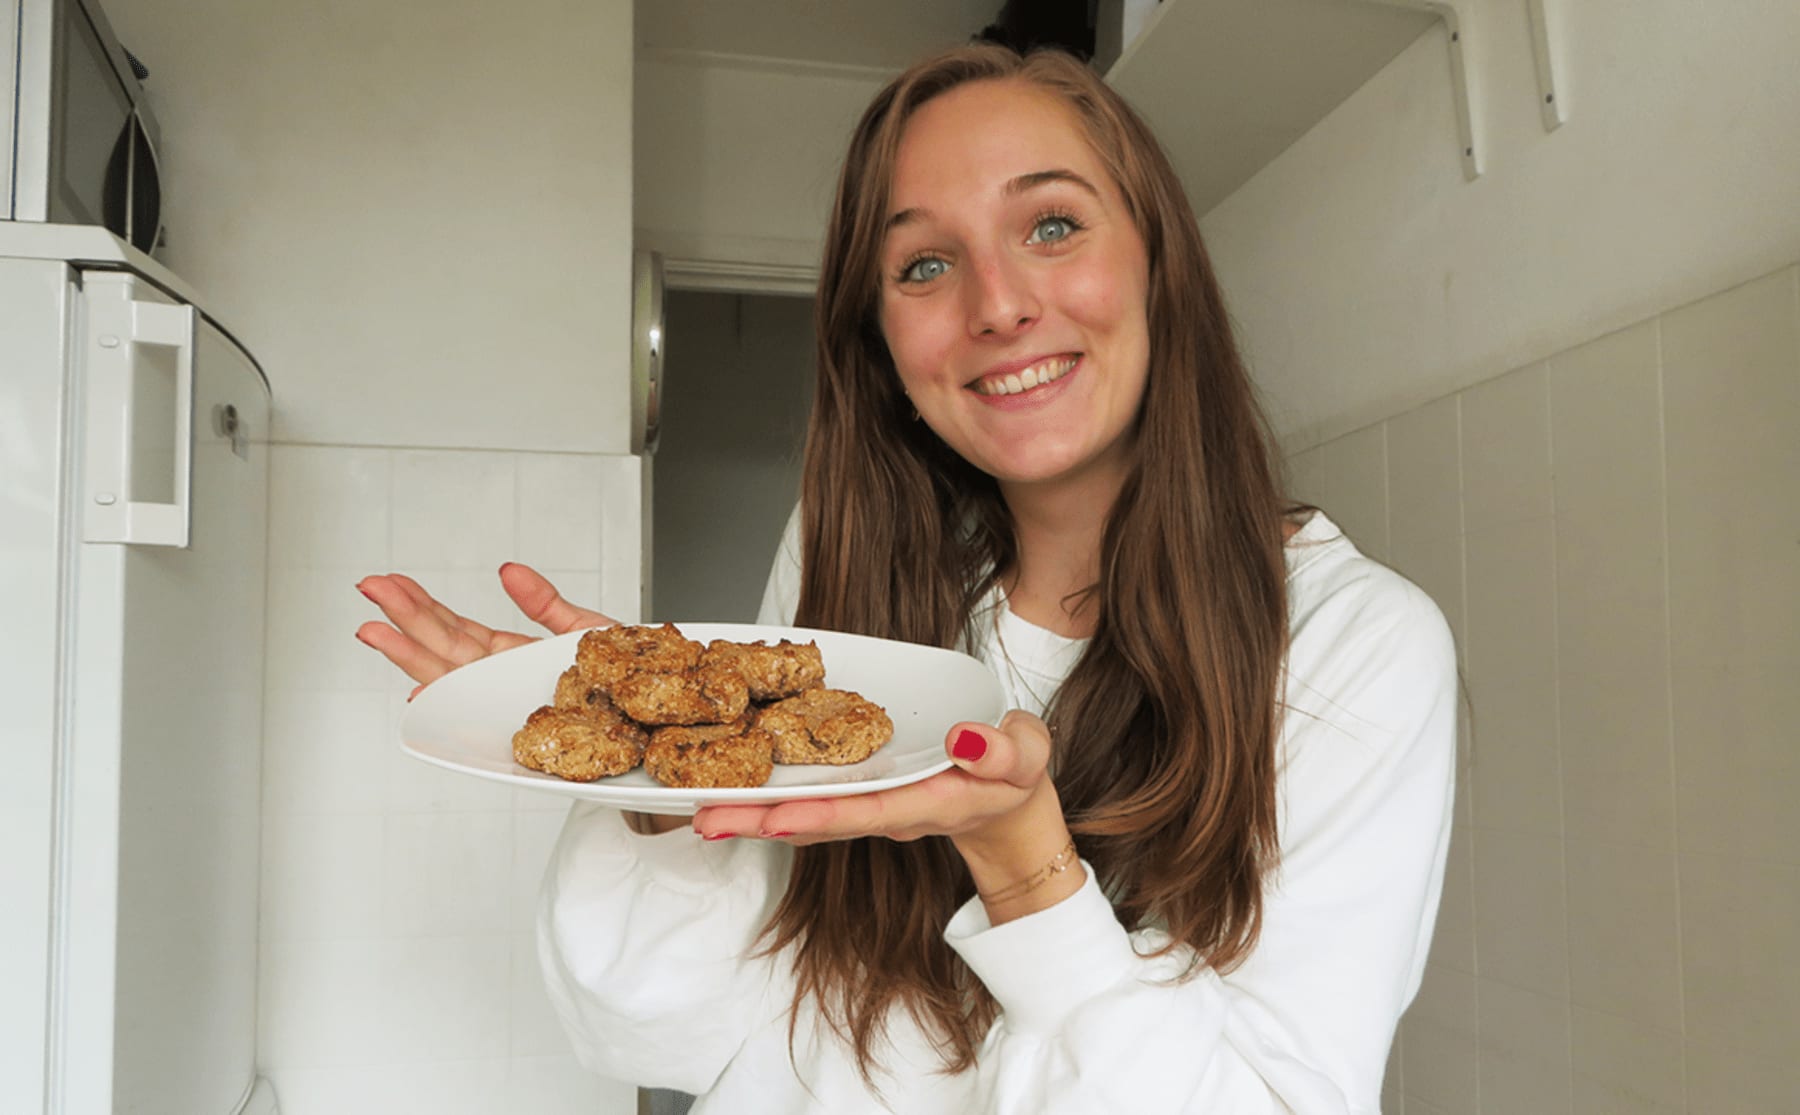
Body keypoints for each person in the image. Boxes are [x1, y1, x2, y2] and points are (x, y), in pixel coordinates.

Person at [357, 44, 1456, 1113]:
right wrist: (659, 785)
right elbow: (667, 1033)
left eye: (1053, 225)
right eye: (924, 263)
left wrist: (1027, 870)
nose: (998, 303)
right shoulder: (851, 566)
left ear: (1159, 261)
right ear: (879, 342)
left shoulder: (1354, 643)